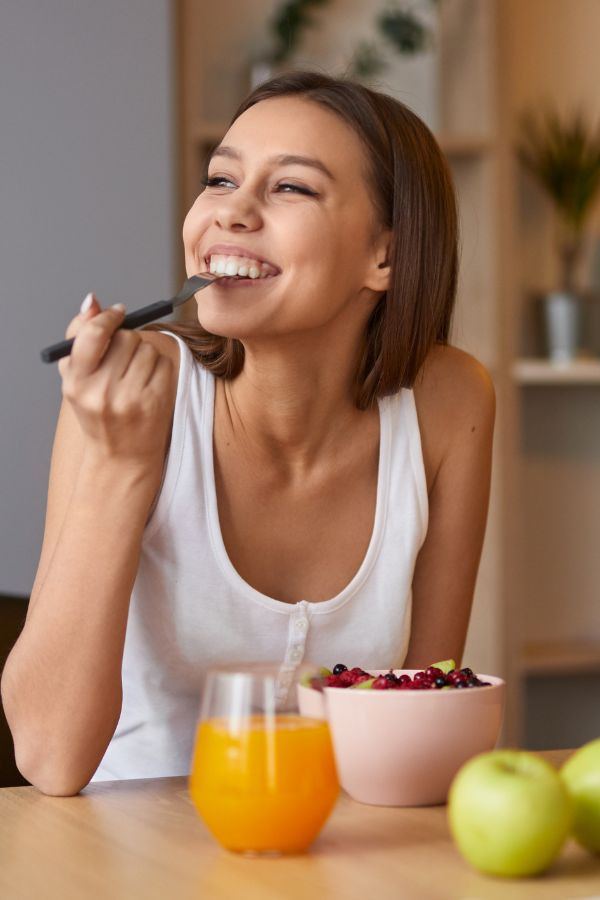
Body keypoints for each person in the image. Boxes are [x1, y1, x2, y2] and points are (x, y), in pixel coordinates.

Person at [1, 71, 495, 795]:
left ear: (384, 256)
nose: (230, 213)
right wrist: (121, 464)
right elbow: (49, 759)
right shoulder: (133, 398)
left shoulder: (449, 403)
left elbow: (415, 726)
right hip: (120, 854)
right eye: (220, 179)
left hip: (328, 849)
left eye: (290, 187)